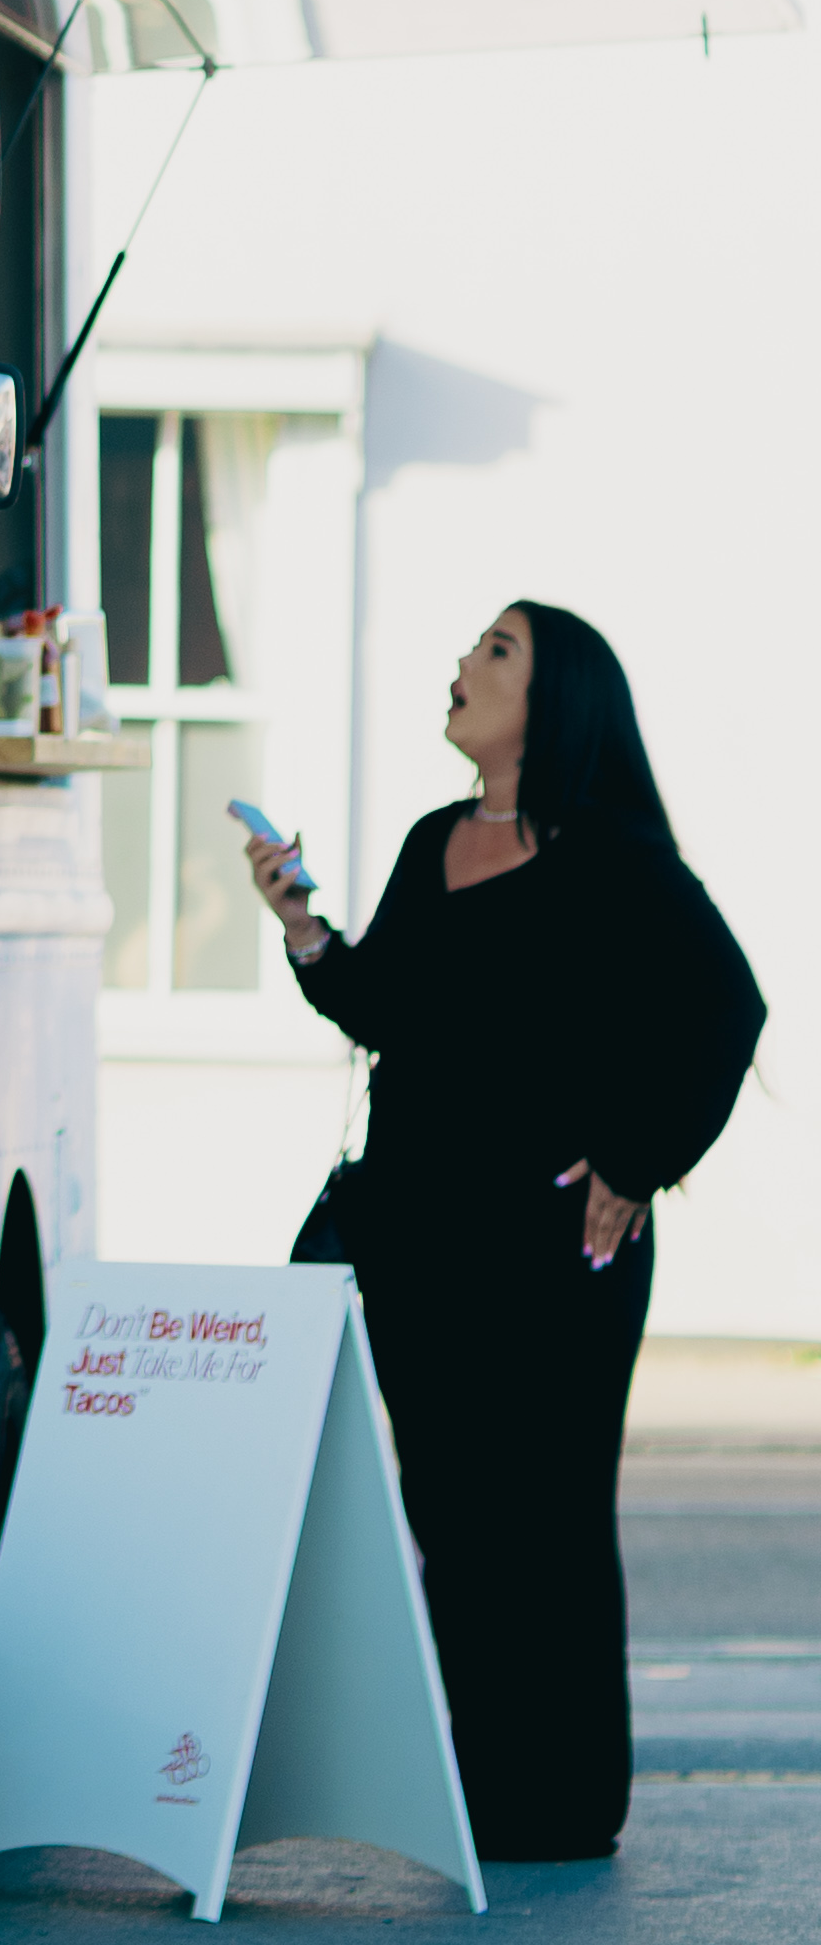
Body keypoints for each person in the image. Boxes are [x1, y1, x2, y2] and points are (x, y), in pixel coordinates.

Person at [249, 603, 762, 1860]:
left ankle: (567, 1803)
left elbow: (726, 1007)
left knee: (548, 1518)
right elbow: (387, 1010)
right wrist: (303, 926)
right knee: (453, 1519)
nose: (463, 666)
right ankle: (484, 1792)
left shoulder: (612, 856)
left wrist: (639, 1160)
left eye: (495, 652)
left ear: (555, 702)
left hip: (554, 1254)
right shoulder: (433, 841)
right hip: (419, 1244)